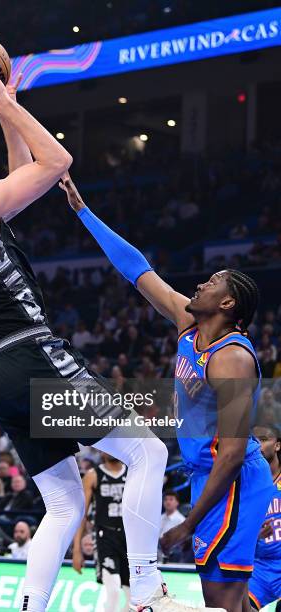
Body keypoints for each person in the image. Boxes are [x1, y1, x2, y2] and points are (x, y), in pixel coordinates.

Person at [0, 54, 218, 612]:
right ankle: (145, 588)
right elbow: (56, 161)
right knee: (145, 453)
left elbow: (21, 174)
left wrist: (8, 108)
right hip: (32, 354)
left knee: (65, 504)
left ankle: (30, 606)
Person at [60, 174, 274, 612]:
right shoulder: (188, 323)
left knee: (224, 603)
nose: (199, 285)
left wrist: (186, 524)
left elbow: (233, 453)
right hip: (205, 477)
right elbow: (137, 269)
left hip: (232, 483)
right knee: (230, 605)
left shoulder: (232, 358)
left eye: (212, 282)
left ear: (229, 303)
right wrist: (84, 211)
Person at [73, 453, 130, 612]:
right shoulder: (92, 475)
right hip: (105, 537)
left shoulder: (132, 472)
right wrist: (77, 550)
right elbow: (81, 515)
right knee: (113, 592)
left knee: (133, 597)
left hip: (130, 539)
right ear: (100, 450)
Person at [248, 425, 281, 610]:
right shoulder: (245, 485)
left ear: (277, 446)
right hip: (258, 568)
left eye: (264, 439)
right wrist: (254, 534)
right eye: (254, 440)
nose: (258, 445)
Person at [159, 491, 186, 563]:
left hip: (173, 553)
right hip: (158, 550)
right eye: (166, 499)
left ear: (177, 503)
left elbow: (182, 543)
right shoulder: (159, 518)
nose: (168, 502)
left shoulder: (182, 520)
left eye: (171, 499)